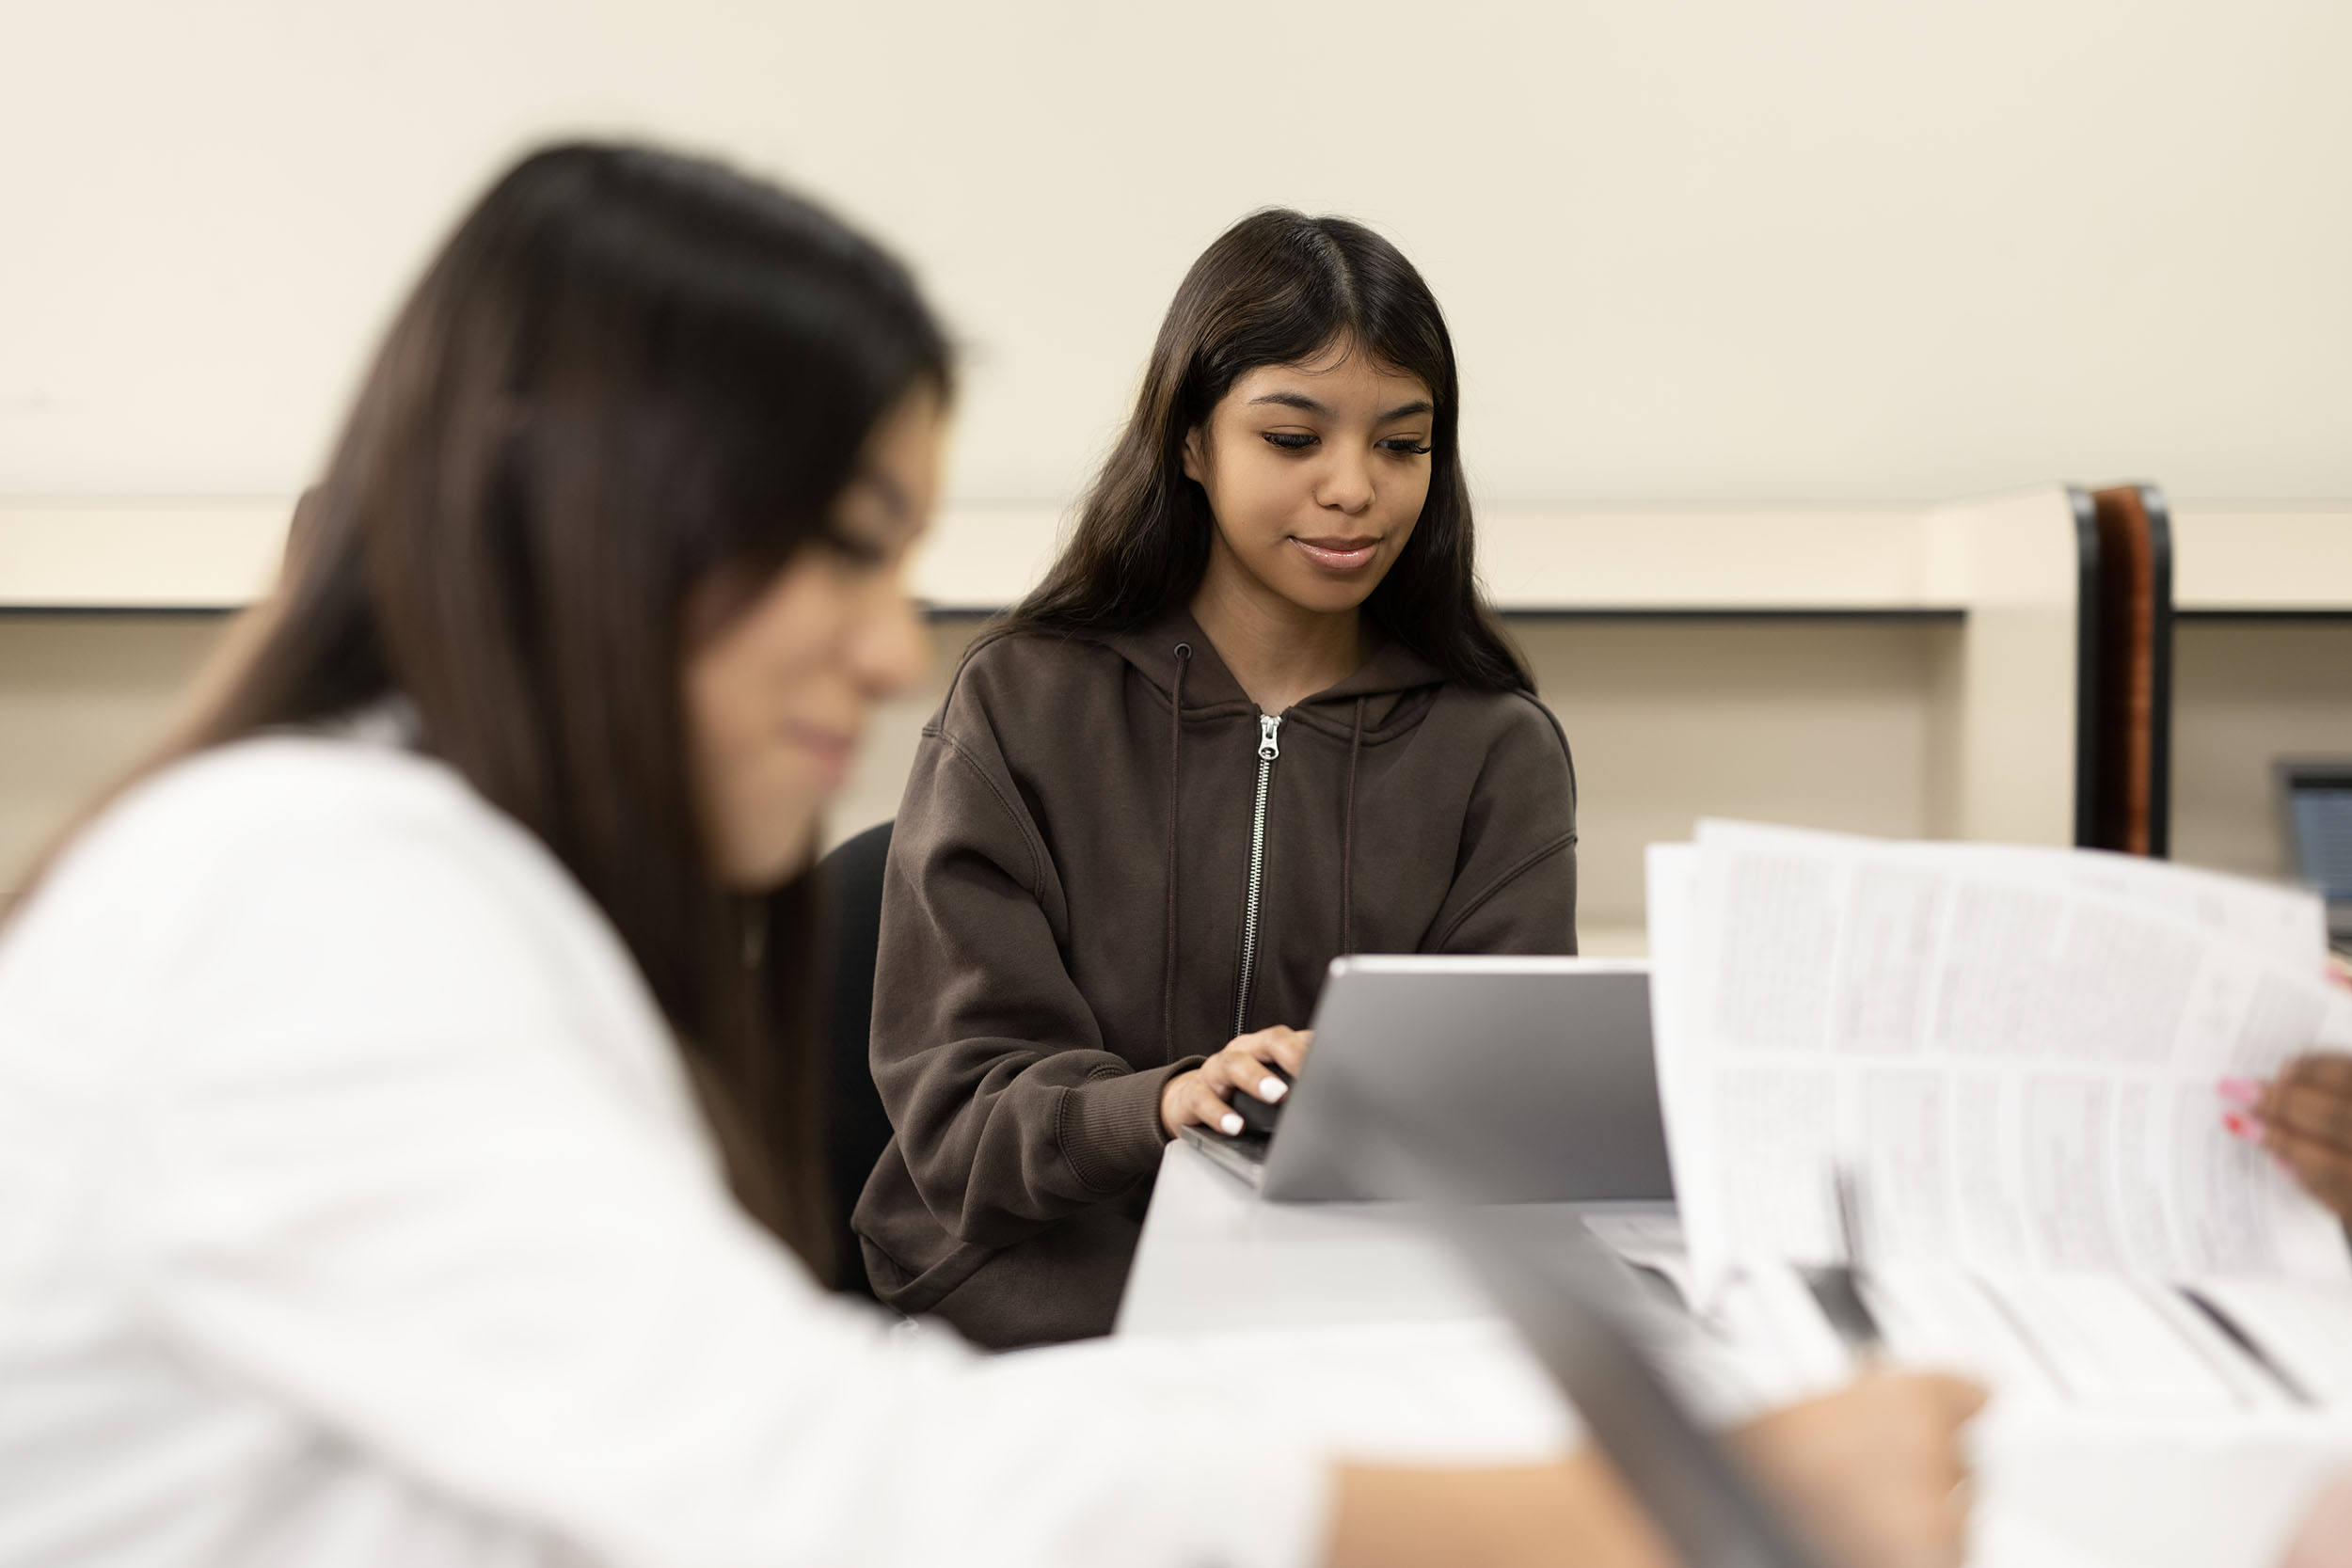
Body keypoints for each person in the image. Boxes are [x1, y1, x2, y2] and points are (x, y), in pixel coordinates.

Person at [0, 141, 1982, 1568]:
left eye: (1400, 440)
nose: (887, 649)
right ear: (608, 514)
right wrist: (1621, 1515)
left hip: (1285, 1347)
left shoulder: (411, 869)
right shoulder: (307, 905)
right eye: (848, 544)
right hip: (1048, 1325)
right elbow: (792, 1469)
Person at [855, 209, 1579, 1348]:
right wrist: (1163, 1102)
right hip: (1037, 1311)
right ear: (1190, 440)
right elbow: (957, 1115)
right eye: (1294, 439)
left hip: (1342, 1321)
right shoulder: (1021, 701)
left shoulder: (1495, 747)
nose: (1356, 488)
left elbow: (1497, 1119)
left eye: (1402, 442)